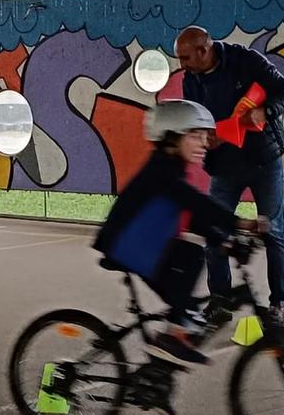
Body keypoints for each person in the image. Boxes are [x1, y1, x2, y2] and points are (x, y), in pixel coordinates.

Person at [93, 99, 257, 371]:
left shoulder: (172, 170)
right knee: (186, 280)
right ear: (170, 138)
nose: (204, 143)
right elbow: (194, 202)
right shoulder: (161, 171)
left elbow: (191, 216)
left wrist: (223, 241)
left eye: (204, 137)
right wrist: (239, 223)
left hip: (142, 245)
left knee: (189, 269)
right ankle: (172, 337)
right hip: (127, 246)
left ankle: (164, 362)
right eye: (195, 136)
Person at [173, 24, 284, 323]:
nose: (182, 66)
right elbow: (195, 117)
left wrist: (264, 111)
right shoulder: (191, 80)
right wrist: (205, 137)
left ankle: (279, 303)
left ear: (204, 50)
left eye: (186, 58)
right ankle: (220, 299)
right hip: (224, 166)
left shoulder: (246, 60)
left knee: (272, 232)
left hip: (263, 161)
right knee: (215, 231)